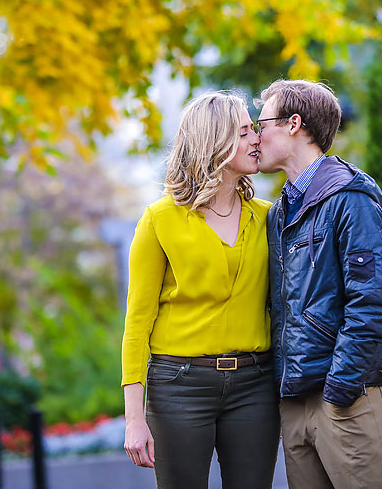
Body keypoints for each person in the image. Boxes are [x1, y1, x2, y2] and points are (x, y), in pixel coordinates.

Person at [121, 91, 279, 489]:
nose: (256, 138)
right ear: (217, 141)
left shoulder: (269, 217)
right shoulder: (159, 219)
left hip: (254, 385)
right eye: (245, 131)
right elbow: (137, 323)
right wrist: (134, 419)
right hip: (179, 386)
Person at [255, 79, 382, 489]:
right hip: (296, 402)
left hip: (347, 398)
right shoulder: (278, 213)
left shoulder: (350, 195)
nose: (255, 134)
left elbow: (373, 302)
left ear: (294, 124)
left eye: (262, 121)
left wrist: (339, 387)